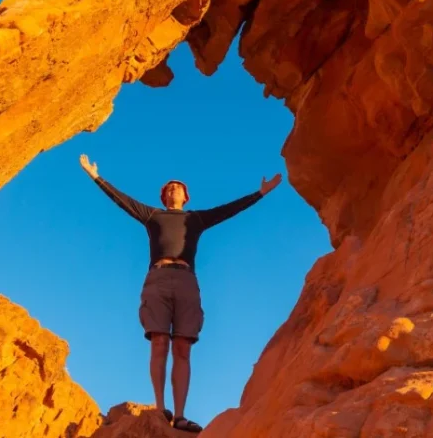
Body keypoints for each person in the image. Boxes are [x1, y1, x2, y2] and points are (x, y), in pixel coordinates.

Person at [79, 153, 282, 433]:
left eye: (178, 187)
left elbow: (228, 210)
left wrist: (260, 193)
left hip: (186, 279)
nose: (173, 189)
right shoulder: (152, 215)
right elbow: (122, 201)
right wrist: (95, 176)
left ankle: (181, 416)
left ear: (186, 196)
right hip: (158, 278)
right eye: (169, 187)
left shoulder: (195, 219)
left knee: (183, 348)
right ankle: (161, 408)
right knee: (159, 342)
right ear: (164, 196)